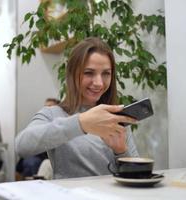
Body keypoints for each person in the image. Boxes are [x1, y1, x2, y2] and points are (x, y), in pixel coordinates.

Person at [16, 37, 139, 179]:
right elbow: (22, 145)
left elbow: (136, 176)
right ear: (72, 74)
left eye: (106, 73)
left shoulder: (116, 117)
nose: (99, 83)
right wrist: (81, 123)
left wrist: (121, 151)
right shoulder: (52, 114)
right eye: (89, 73)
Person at [16, 98, 60, 180]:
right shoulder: (39, 125)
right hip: (36, 155)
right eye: (45, 108)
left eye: (50, 107)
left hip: (47, 158)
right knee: (26, 157)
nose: (46, 110)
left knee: (32, 162)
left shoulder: (60, 127)